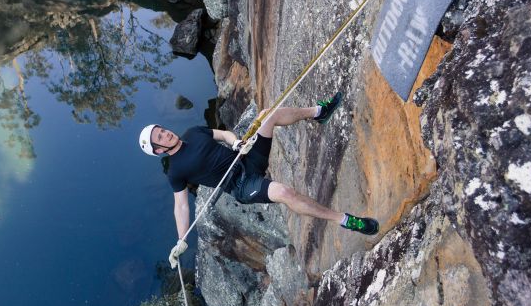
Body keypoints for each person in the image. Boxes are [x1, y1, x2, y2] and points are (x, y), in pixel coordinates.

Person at [139, 93, 379, 268]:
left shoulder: (192, 133)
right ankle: (346, 220)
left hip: (245, 158)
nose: (166, 133)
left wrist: (234, 142)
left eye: (161, 130)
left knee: (267, 116)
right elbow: (180, 205)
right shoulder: (175, 171)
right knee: (284, 192)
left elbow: (221, 134)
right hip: (242, 185)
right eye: (160, 137)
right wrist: (181, 239)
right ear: (159, 150)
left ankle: (318, 112)